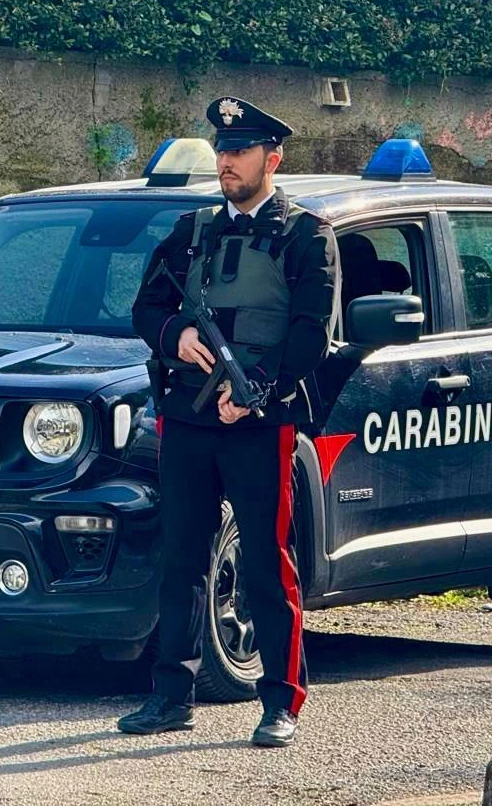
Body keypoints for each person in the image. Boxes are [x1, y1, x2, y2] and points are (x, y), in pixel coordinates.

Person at [118, 97, 340, 748]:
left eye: (239, 151)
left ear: (273, 158)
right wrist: (175, 334)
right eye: (221, 149)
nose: (226, 161)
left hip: (257, 423)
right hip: (188, 418)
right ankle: (169, 697)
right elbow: (145, 307)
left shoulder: (305, 235)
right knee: (181, 559)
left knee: (268, 566)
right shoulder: (191, 233)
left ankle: (280, 701)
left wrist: (256, 391)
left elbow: (309, 336)